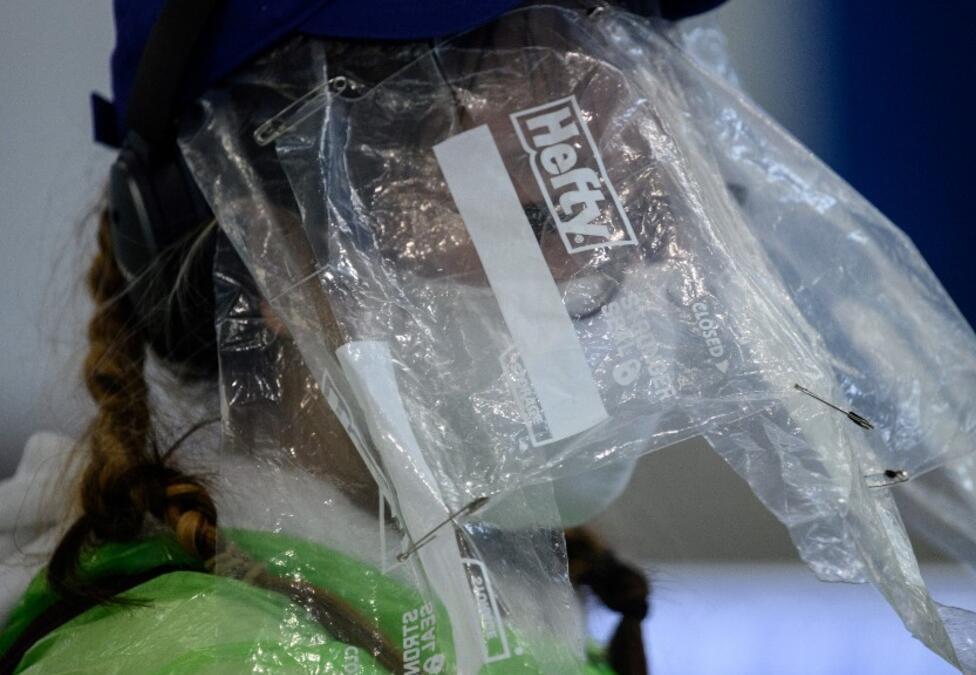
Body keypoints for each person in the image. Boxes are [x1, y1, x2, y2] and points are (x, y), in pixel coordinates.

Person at [0, 1, 728, 673]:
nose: (610, 267)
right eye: (536, 214)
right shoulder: (203, 658)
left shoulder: (508, 631)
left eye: (639, 205)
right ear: (275, 252)